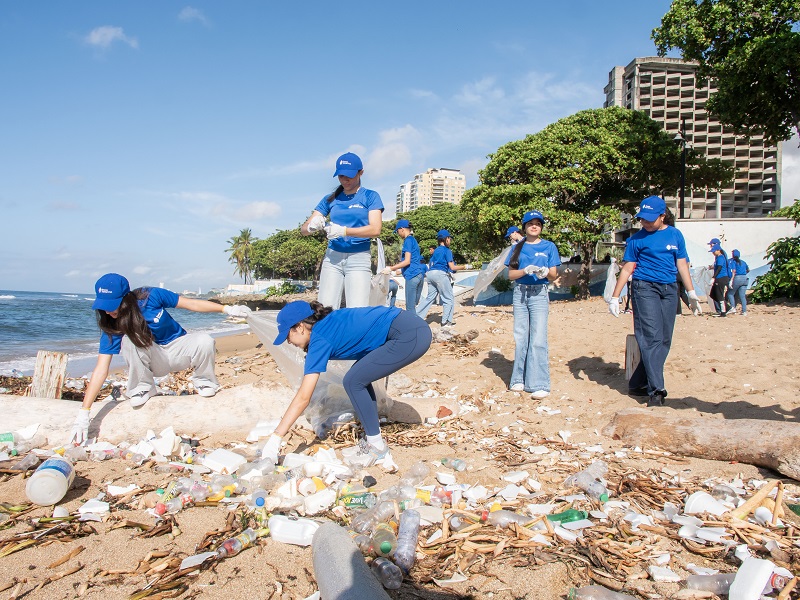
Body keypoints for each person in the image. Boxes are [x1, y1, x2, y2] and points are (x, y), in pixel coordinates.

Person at [69, 274, 252, 444]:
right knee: (129, 341)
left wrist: (227, 309)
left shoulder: (151, 296)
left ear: (126, 299)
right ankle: (143, 388)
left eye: (112, 304)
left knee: (205, 340)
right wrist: (84, 413)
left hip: (179, 350)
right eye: (103, 305)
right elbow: (101, 369)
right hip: (153, 361)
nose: (107, 311)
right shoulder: (112, 324)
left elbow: (191, 304)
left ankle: (205, 382)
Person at [259, 300, 432, 465]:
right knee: (358, 377)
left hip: (409, 334)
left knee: (353, 380)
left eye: (287, 335)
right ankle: (372, 440)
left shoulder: (319, 339)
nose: (288, 341)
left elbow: (304, 397)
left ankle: (377, 447)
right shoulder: (325, 325)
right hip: (410, 327)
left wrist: (275, 438)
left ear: (300, 326)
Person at [608, 196, 700, 408]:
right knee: (651, 338)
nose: (646, 223)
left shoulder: (675, 235)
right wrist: (615, 296)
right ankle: (656, 390)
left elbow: (682, 265)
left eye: (650, 219)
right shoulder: (636, 240)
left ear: (662, 216)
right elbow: (628, 268)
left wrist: (691, 292)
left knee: (664, 339)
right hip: (644, 288)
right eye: (642, 219)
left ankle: (638, 381)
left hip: (669, 289)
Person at [301, 152, 383, 309]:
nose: (345, 180)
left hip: (358, 257)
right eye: (341, 176)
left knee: (357, 310)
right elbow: (303, 229)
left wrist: (344, 231)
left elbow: (375, 229)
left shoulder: (370, 196)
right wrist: (312, 227)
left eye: (350, 176)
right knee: (324, 309)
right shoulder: (330, 199)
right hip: (332, 258)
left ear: (361, 172)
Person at [504, 210, 561, 398]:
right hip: (520, 293)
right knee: (521, 337)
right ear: (525, 227)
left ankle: (539, 383)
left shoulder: (549, 246)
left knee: (538, 338)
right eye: (530, 223)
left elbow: (553, 275)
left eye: (538, 223)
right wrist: (525, 271)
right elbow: (511, 275)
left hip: (539, 294)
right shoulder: (517, 247)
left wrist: (545, 272)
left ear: (541, 226)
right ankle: (518, 379)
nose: (534, 226)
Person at [416, 230, 471, 327]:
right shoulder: (447, 250)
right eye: (449, 238)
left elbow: (431, 264)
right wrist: (466, 266)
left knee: (430, 298)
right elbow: (452, 267)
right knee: (448, 298)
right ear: (445, 239)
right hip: (440, 274)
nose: (450, 241)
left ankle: (416, 317)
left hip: (430, 274)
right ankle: (446, 322)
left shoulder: (436, 250)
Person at [383, 219, 425, 311]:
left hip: (412, 276)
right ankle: (417, 324)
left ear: (402, 229)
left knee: (410, 308)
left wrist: (391, 268)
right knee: (414, 305)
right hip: (419, 275)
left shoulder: (408, 241)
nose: (398, 234)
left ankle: (413, 325)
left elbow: (407, 261)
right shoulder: (414, 240)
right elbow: (412, 262)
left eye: (397, 231)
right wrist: (396, 272)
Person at [708, 239, 731, 317]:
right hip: (719, 277)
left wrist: (714, 277)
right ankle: (727, 308)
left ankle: (723, 312)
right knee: (713, 294)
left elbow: (719, 268)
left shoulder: (721, 258)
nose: (713, 253)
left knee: (719, 295)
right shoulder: (718, 258)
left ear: (718, 250)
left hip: (721, 277)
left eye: (714, 251)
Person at [726, 249, 750, 316]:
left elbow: (733, 271)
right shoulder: (743, 262)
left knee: (730, 293)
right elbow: (748, 270)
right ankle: (744, 311)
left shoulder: (733, 262)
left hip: (737, 278)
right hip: (745, 278)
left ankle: (733, 307)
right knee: (742, 296)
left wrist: (731, 280)